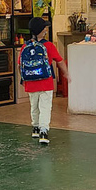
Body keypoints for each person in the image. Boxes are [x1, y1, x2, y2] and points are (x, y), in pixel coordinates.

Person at [17, 16, 69, 145]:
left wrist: (24, 79)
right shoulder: (49, 46)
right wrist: (66, 73)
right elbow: (60, 61)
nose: (46, 29)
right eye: (45, 27)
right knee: (45, 107)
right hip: (46, 82)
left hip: (30, 83)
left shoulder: (25, 46)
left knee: (34, 107)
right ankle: (44, 131)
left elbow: (20, 65)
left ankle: (35, 128)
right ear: (43, 30)